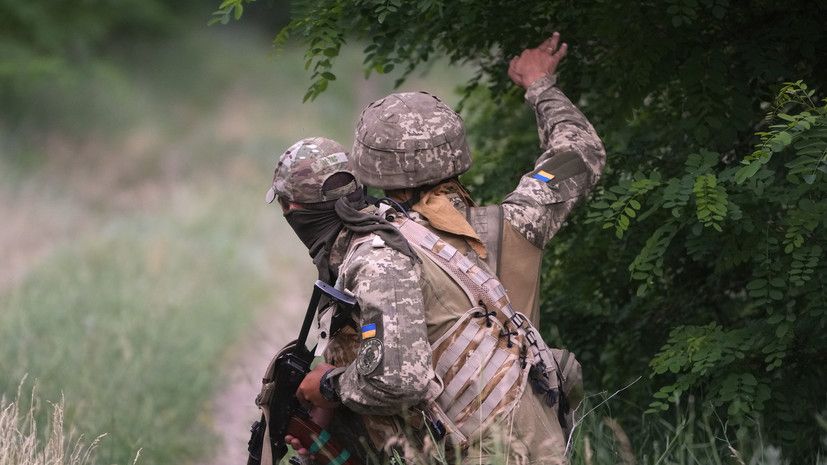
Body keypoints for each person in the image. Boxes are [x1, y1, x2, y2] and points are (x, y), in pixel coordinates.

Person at [275, 32, 605, 465]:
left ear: (367, 167)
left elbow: (390, 381)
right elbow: (579, 154)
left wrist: (328, 387)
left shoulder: (378, 250)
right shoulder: (515, 223)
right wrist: (539, 84)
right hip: (535, 437)